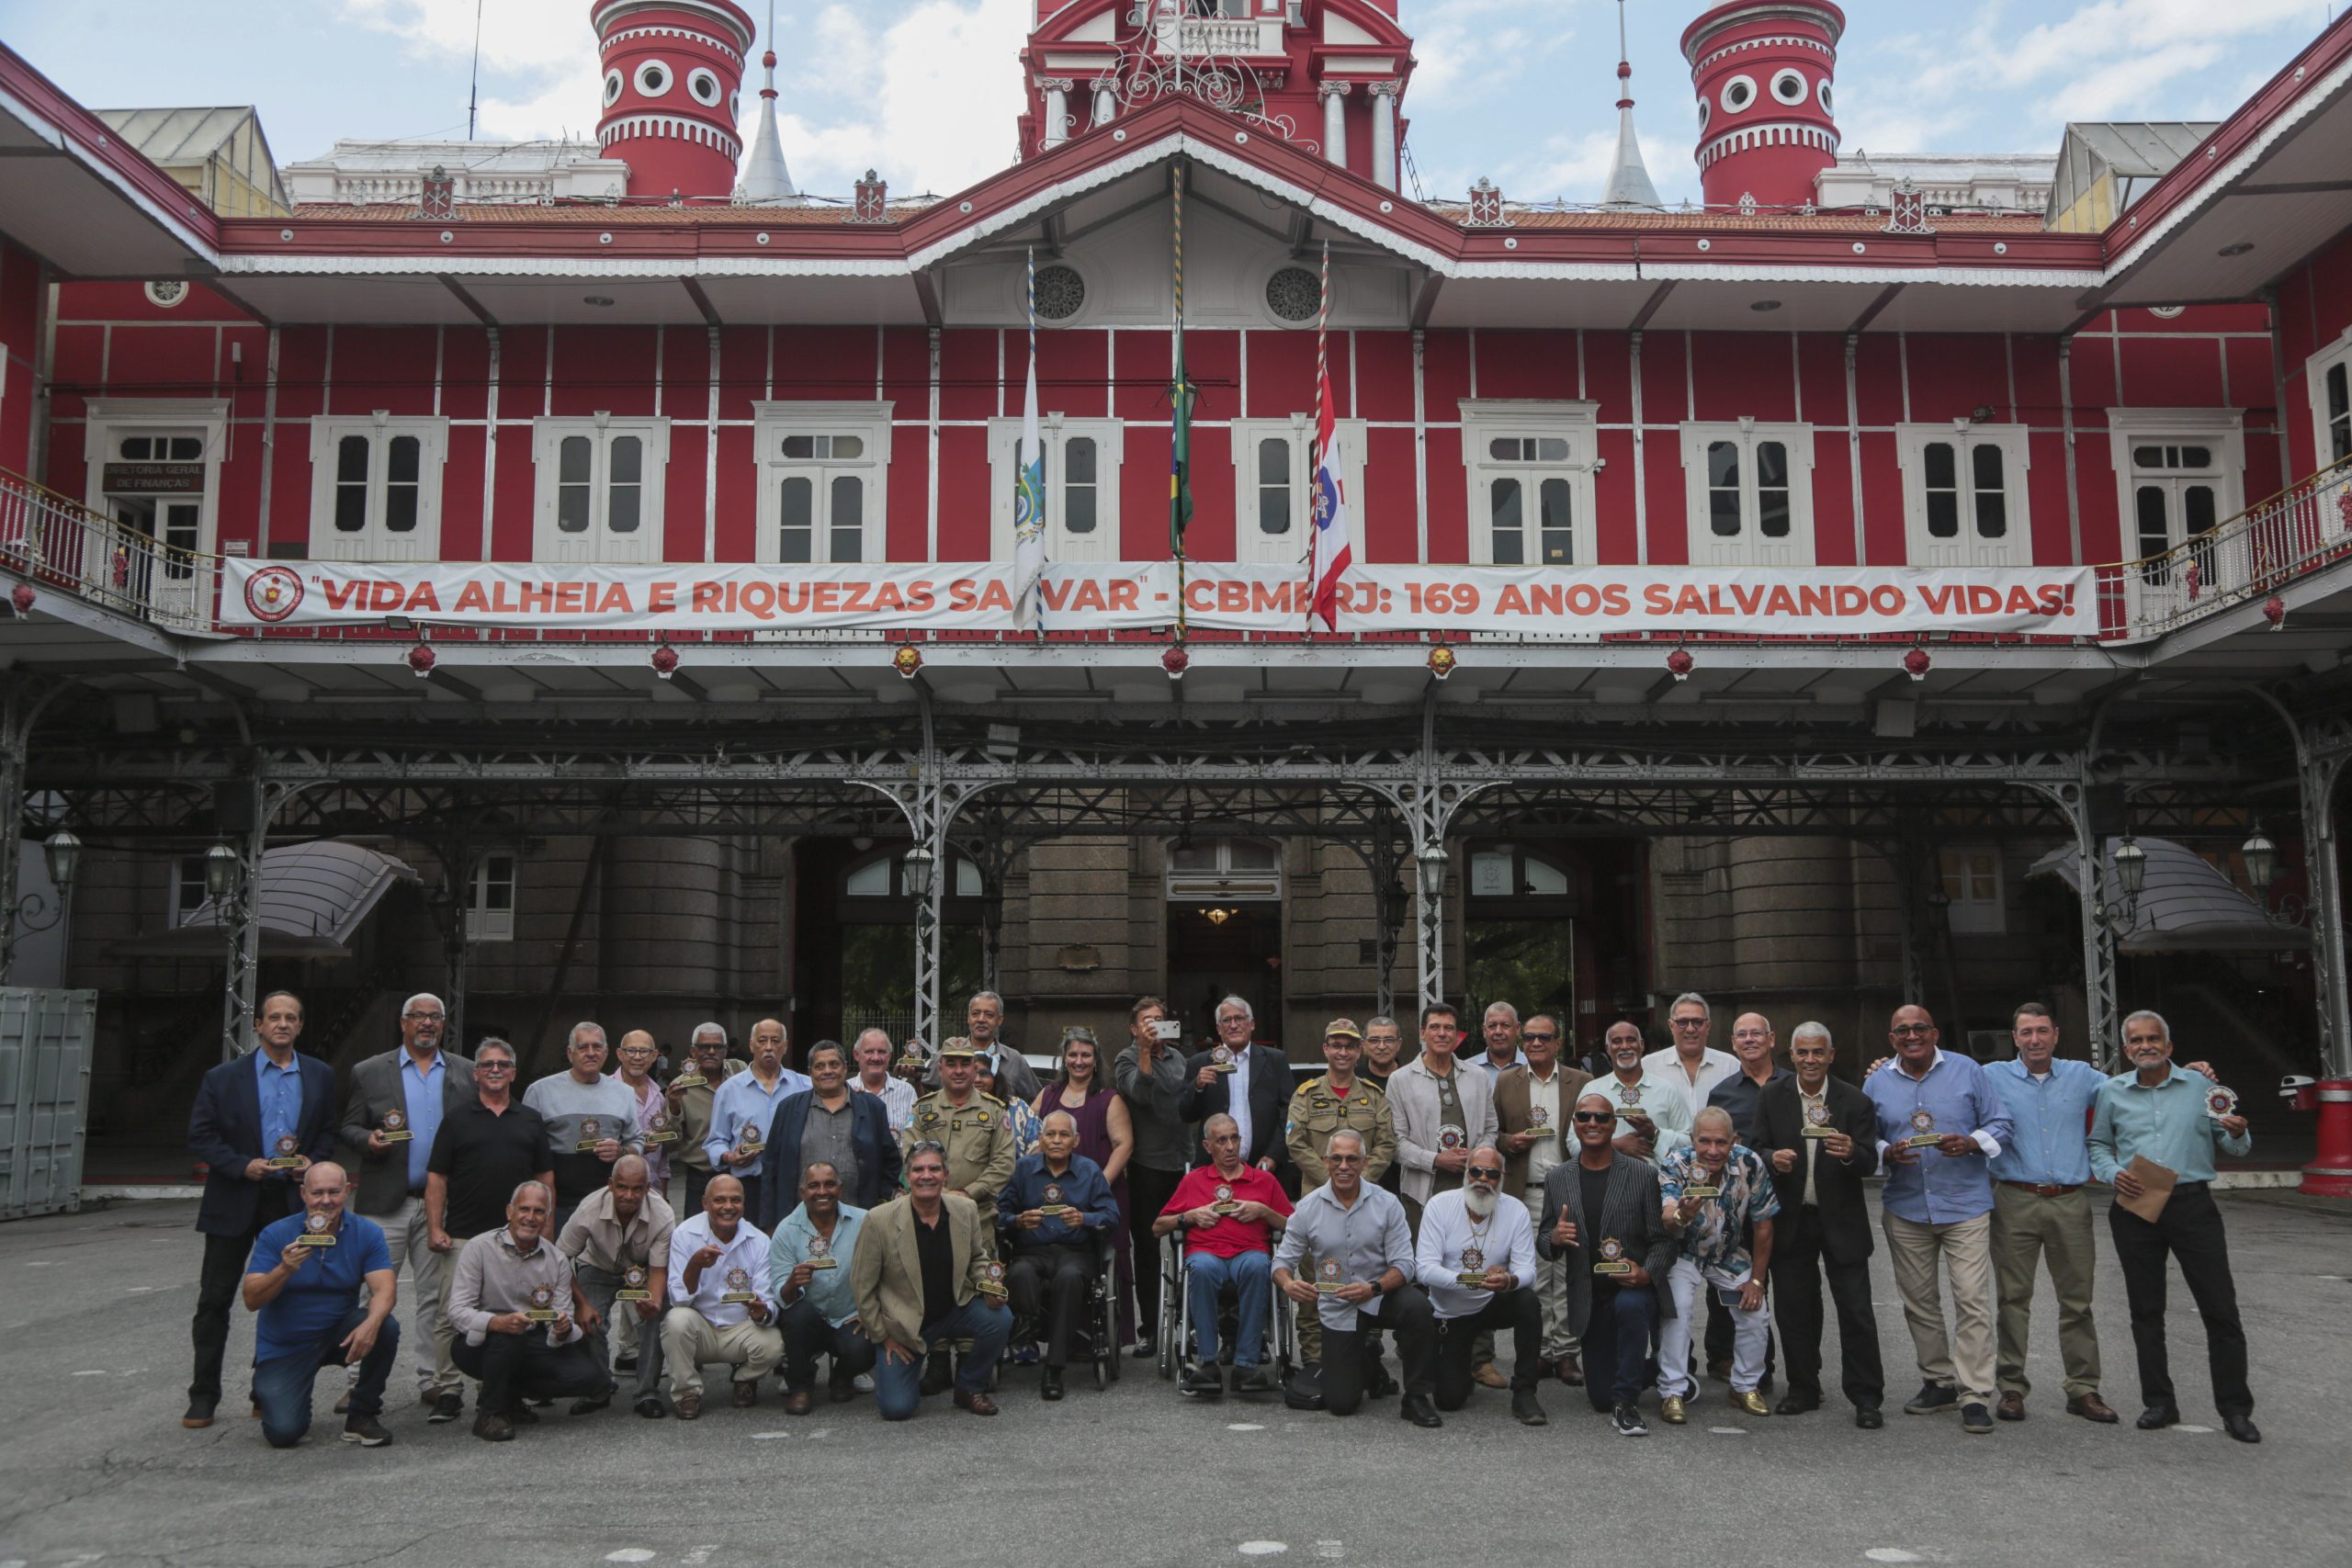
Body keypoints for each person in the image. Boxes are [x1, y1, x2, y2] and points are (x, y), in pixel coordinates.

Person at [2089, 1010, 2259, 1443]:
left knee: (2220, 1310)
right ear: (2126, 1050)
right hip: (2135, 1206)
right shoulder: (2112, 1092)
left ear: (2168, 1046)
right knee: (2146, 1311)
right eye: (2136, 1041)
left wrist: (2237, 1132)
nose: (2145, 1046)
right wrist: (2112, 1173)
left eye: (2153, 1039)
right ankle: (2159, 1402)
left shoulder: (2202, 1087)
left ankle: (2236, 1409)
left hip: (2191, 1204)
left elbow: (2232, 1146)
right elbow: (2098, 1145)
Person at [183, 991, 336, 1429]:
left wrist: (310, 1165)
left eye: (291, 1017)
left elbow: (326, 1133)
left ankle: (264, 1388)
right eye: (274, 1017)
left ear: (300, 1026)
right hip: (234, 1196)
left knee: (281, 1296)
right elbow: (201, 1136)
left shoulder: (321, 1075)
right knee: (215, 1299)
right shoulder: (223, 1077)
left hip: (287, 1200)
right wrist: (240, 1165)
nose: (282, 1024)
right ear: (259, 1025)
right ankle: (203, 1395)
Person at [1863, 1004, 2013, 1436]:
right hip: (1906, 1205)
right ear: (1892, 1039)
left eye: (1920, 1029)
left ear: (1934, 1032)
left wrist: (1971, 1142)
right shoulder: (1877, 1081)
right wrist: (1885, 1152)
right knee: (1919, 1301)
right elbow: (1863, 1134)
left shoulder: (1968, 1070)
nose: (1912, 1036)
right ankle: (1939, 1381)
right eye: (1902, 1031)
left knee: (1971, 1300)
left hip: (1964, 1204)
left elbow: (2002, 1122)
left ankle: (1974, 1393)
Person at [1979, 1002, 2123, 1424]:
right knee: (2012, 1299)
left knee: (2077, 1301)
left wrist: (2190, 1071)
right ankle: (2010, 1387)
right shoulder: (1991, 1076)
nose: (2035, 1040)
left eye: (2042, 1031)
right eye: (2026, 1033)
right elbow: (1942, 1082)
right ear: (2015, 1038)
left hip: (2069, 1201)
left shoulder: (2083, 1076)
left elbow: (2134, 1087)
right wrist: (1885, 1064)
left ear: (2056, 1034)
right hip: (2014, 1199)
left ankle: (2083, 1388)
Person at [335, 992, 471, 1416]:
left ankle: (430, 1380)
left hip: (441, 1206)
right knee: (373, 1292)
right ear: (403, 1023)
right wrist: (366, 1140)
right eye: (418, 1017)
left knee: (435, 1296)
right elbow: (349, 1126)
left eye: (435, 1017)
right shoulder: (370, 1071)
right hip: (385, 1203)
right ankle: (357, 1383)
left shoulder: (466, 1072)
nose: (426, 1024)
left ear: (443, 1025)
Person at [1756, 1022, 1885, 1427]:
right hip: (1792, 1220)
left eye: (1818, 1053)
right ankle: (1803, 1388)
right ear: (1791, 1056)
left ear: (1831, 1055)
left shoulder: (1854, 1100)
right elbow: (1753, 1146)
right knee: (1795, 1309)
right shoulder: (1771, 1096)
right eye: (1803, 1053)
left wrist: (1851, 1153)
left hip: (1842, 1222)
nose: (1810, 1060)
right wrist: (1770, 1157)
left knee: (1856, 1310)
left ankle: (1866, 1397)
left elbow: (1869, 1160)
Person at [421, 1037, 551, 1425]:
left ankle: (499, 1390)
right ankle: (447, 1389)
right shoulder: (457, 1119)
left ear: (513, 1072)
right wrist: (434, 1226)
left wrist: (547, 1231)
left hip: (518, 1241)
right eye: (488, 1064)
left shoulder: (529, 1119)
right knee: (451, 1315)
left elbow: (545, 1177)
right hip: (462, 1234)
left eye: (503, 1064)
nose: (495, 1070)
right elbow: (437, 1176)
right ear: (476, 1073)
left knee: (514, 1315)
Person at [1272, 1129, 1439, 1426]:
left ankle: (1416, 1396)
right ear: (1325, 1162)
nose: (1344, 1166)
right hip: (1339, 1306)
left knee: (1419, 1308)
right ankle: (1369, 1363)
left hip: (1381, 1295)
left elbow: (1405, 1264)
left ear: (1364, 1163)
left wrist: (1374, 1287)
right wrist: (1289, 1283)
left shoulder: (1387, 1204)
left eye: (1352, 1159)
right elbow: (1281, 1262)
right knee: (1341, 1403)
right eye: (1336, 1158)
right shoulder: (1308, 1208)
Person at [1536, 1094, 1677, 1438]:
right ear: (1575, 1125)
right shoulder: (1559, 1178)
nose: (1593, 1124)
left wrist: (1646, 1273)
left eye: (1601, 1118)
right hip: (1589, 1295)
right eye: (1584, 1117)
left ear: (1614, 1125)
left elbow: (1663, 1240)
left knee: (1630, 1309)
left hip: (1631, 1289)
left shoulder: (1642, 1175)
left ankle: (1625, 1404)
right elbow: (1543, 1241)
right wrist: (1554, 1238)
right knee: (1598, 1397)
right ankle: (1666, 1368)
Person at [241, 1161, 398, 1449]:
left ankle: (362, 1415)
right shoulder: (276, 1234)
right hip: (286, 1344)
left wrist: (371, 1325)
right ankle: (275, 1385)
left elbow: (385, 1290)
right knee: (284, 1433)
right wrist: (284, 1269)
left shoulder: (367, 1232)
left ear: (347, 1191)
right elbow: (251, 1299)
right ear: (303, 1194)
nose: (326, 1201)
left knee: (386, 1325)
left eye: (334, 1192)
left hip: (337, 1333)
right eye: (318, 1193)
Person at [851, 1140, 1012, 1419]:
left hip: (954, 1308)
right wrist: (884, 1337)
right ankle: (907, 1373)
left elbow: (977, 1259)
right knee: (896, 1409)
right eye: (918, 1169)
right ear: (907, 1175)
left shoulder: (965, 1210)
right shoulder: (878, 1220)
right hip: (905, 1324)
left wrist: (989, 1286)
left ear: (946, 1175)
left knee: (999, 1318)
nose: (927, 1175)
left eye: (934, 1169)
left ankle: (968, 1386)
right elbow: (862, 1285)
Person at [446, 1180, 608, 1442]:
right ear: (509, 1212)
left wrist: (561, 1330)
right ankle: (490, 1413)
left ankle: (508, 1395)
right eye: (524, 1209)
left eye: (539, 1211)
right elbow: (457, 1311)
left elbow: (562, 1313)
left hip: (532, 1337)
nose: (530, 1218)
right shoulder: (479, 1248)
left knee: (590, 1377)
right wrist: (497, 1323)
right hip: (481, 1343)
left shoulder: (556, 1259)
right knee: (510, 1338)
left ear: (547, 1217)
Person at [1656, 1107, 1780, 1423]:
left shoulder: (1749, 1162)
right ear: (1693, 1140)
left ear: (1733, 1140)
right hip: (1683, 1252)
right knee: (1678, 1309)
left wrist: (1757, 1281)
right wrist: (1683, 1215)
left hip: (1729, 1252)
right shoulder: (1674, 1164)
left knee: (1756, 1309)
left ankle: (1745, 1386)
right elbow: (1668, 1218)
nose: (1712, 1151)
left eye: (1721, 1143)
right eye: (1705, 1141)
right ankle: (1672, 1390)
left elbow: (1764, 1224)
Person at [1155, 1114, 1293, 1397]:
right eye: (1222, 1141)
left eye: (1234, 1138)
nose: (1230, 1147)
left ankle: (1246, 1366)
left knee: (1259, 1266)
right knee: (1201, 1269)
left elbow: (1295, 1226)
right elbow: (1158, 1227)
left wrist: (1264, 1212)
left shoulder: (1263, 1181)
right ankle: (1208, 1362)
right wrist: (1189, 1216)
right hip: (1206, 1253)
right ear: (1207, 1146)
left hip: (1249, 1253)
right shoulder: (1194, 1181)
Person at [1412, 1145, 1546, 1425]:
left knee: (1528, 1302)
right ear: (1465, 1173)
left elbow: (1527, 1270)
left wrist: (1509, 1280)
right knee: (1449, 1400)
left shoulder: (1517, 1210)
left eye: (1492, 1174)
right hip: (1451, 1315)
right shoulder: (1440, 1205)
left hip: (1492, 1302)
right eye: (1475, 1171)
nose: (1483, 1179)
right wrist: (1474, 1280)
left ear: (1502, 1178)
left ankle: (1524, 1392)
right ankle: (1461, 1370)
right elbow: (1424, 1270)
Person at [1493, 1011, 1590, 1385]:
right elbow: (1493, 1133)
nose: (1536, 1043)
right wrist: (1509, 1142)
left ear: (1558, 1042)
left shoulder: (1581, 1081)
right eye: (1530, 1037)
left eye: (1544, 1038)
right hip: (1526, 1191)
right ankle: (1536, 1352)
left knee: (1566, 1275)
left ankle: (1565, 1353)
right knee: (1534, 1276)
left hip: (1571, 1190)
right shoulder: (1506, 1082)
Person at [998, 1110, 1121, 1398]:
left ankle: (1054, 1368)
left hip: (1075, 1252)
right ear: (1040, 1138)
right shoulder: (1023, 1169)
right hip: (1032, 1249)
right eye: (1050, 1134)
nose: (1056, 1140)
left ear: (1075, 1140)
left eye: (1064, 1135)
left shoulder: (1090, 1171)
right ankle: (1030, 1324)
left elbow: (1112, 1216)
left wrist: (1085, 1219)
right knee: (1019, 1273)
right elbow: (999, 1215)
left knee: (1069, 1277)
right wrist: (1017, 1221)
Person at [1036, 1025, 1136, 1350]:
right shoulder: (1048, 1095)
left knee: (1100, 1259)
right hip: (1053, 1192)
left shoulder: (1109, 1098)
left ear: (1096, 1060)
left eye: (1086, 1055)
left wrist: (1098, 1186)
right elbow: (1029, 1135)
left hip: (1099, 1193)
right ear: (1063, 1058)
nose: (1079, 1061)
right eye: (1073, 1055)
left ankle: (1103, 1336)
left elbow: (1124, 1145)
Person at [555, 1155, 673, 1419]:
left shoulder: (663, 1214)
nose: (629, 1195)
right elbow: (560, 1259)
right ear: (610, 1184)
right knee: (591, 1320)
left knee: (659, 1315)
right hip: (596, 1266)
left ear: (648, 1188)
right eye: (622, 1187)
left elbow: (659, 1269)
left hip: (641, 1270)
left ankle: (647, 1391)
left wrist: (653, 1302)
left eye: (637, 1189)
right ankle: (598, 1388)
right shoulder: (588, 1209)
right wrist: (581, 1304)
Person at [659, 1173, 784, 1419]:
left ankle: (743, 1378)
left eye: (735, 1200)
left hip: (740, 1328)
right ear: (705, 1203)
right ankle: (687, 1393)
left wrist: (762, 1312)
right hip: (700, 1328)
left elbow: (768, 1300)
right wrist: (694, 1266)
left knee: (773, 1345)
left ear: (744, 1203)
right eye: (719, 1200)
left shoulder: (758, 1241)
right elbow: (678, 1300)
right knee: (676, 1320)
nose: (728, 1207)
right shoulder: (685, 1234)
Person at [752, 1042, 899, 1232]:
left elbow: (891, 1162)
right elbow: (770, 1166)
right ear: (810, 1072)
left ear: (845, 1068)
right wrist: (769, 1223)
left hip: (860, 1220)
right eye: (820, 1066)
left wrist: (882, 1206)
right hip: (799, 1222)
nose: (827, 1071)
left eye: (834, 1064)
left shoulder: (872, 1107)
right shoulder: (788, 1109)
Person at [1114, 994, 1191, 1359]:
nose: (1154, 1026)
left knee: (1189, 1246)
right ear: (1134, 1028)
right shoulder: (1126, 1057)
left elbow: (1187, 1105)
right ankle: (1150, 1329)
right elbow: (1140, 1095)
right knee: (1146, 1249)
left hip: (1182, 1163)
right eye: (1147, 1021)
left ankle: (1186, 1325)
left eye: (1159, 1018)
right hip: (1146, 1166)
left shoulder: (1179, 1059)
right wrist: (1144, 1050)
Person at [769, 1161, 875, 1413]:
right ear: (802, 1192)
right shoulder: (786, 1230)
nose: (822, 1191)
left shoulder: (865, 1221)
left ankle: (842, 1376)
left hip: (849, 1316)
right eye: (813, 1186)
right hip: (809, 1320)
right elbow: (782, 1297)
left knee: (868, 1344)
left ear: (840, 1188)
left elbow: (883, 1270)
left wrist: (871, 1310)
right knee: (796, 1314)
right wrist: (792, 1283)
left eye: (829, 1184)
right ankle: (801, 1385)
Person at [522, 1021, 642, 1232]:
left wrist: (622, 1151)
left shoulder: (624, 1093)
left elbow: (637, 1140)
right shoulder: (541, 1091)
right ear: (570, 1053)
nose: (591, 1053)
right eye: (583, 1047)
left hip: (607, 1204)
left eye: (597, 1047)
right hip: (557, 1204)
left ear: (606, 1053)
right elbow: (525, 1148)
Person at [1389, 1003, 1498, 1235]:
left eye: (1449, 1028)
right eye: (1434, 1027)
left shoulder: (1478, 1076)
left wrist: (1477, 1158)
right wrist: (1436, 1160)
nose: (1442, 1033)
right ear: (1422, 1032)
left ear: (1457, 1035)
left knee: (1472, 1259)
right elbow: (1396, 1143)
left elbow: (1491, 1129)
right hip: (1421, 1192)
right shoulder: (1400, 1079)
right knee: (1425, 1264)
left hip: (1474, 1185)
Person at [703, 1017, 808, 1223]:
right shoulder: (729, 1090)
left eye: (776, 1041)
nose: (769, 1047)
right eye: (762, 1041)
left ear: (785, 1047)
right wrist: (728, 1157)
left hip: (792, 1183)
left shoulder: (805, 1087)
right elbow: (715, 1141)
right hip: (747, 1182)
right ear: (752, 1045)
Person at [1178, 995, 1292, 1174]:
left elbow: (1290, 1111)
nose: (1233, 1025)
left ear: (1251, 1024)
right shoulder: (1200, 1063)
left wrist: (1274, 1154)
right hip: (1213, 1169)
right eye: (1226, 1020)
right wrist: (1197, 1086)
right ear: (1218, 1028)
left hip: (1264, 1166)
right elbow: (1186, 1114)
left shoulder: (1275, 1059)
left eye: (1239, 1018)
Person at [1589, 1019, 1690, 1165]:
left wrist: (1655, 1134)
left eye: (1631, 1040)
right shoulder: (1592, 1090)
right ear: (1607, 1048)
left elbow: (1689, 1142)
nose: (1625, 1046)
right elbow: (1573, 1143)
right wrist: (1613, 1145)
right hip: (1606, 1184)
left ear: (1642, 1045)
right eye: (1617, 1041)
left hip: (1657, 1183)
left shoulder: (1667, 1090)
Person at [668, 1021, 742, 1213]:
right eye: (704, 1047)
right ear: (693, 1051)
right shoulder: (680, 1087)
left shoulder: (741, 1074)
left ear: (726, 1051)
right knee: (696, 1236)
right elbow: (671, 1141)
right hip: (700, 1175)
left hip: (739, 1171)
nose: (711, 1051)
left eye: (717, 1047)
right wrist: (674, 1107)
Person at [920, 991, 1043, 1100]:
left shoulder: (1014, 1060)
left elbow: (1037, 1100)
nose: (981, 1019)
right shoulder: (947, 1055)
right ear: (968, 1018)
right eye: (975, 1014)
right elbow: (922, 1093)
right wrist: (914, 1079)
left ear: (999, 1020)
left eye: (989, 1015)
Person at [1644, 992, 1739, 1125]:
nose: (1690, 1029)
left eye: (1697, 1022)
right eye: (1682, 1022)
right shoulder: (1648, 1066)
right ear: (1671, 1026)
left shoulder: (1731, 1066)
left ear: (1708, 1026)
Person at [1706, 1011, 1792, 1146]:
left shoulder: (1795, 1085)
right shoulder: (1720, 1094)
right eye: (1741, 1035)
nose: (1748, 1039)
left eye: (1756, 1033)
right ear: (1734, 1043)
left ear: (1771, 1039)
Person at [613, 1031, 673, 1195]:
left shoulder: (659, 1096)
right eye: (631, 1051)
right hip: (618, 1192)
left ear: (654, 1056)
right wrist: (635, 1147)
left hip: (653, 1192)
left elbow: (663, 1155)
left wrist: (663, 1196)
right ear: (620, 1054)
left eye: (644, 1051)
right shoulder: (606, 1092)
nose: (637, 1057)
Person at [851, 1027, 916, 1142]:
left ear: (890, 1056)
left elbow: (915, 1133)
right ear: (856, 1055)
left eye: (881, 1052)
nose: (876, 1058)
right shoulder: (845, 1090)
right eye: (869, 1051)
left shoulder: (907, 1092)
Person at [975, 1049, 1042, 1156]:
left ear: (995, 1077)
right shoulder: (956, 1108)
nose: (977, 1079)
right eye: (973, 1074)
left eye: (984, 1074)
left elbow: (1038, 1146)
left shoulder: (1018, 1107)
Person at [1474, 1000, 1530, 1079]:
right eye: (1492, 1026)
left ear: (1517, 1029)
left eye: (1505, 1025)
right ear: (1484, 1030)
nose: (1498, 1032)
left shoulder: (1533, 1067)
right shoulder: (1468, 1069)